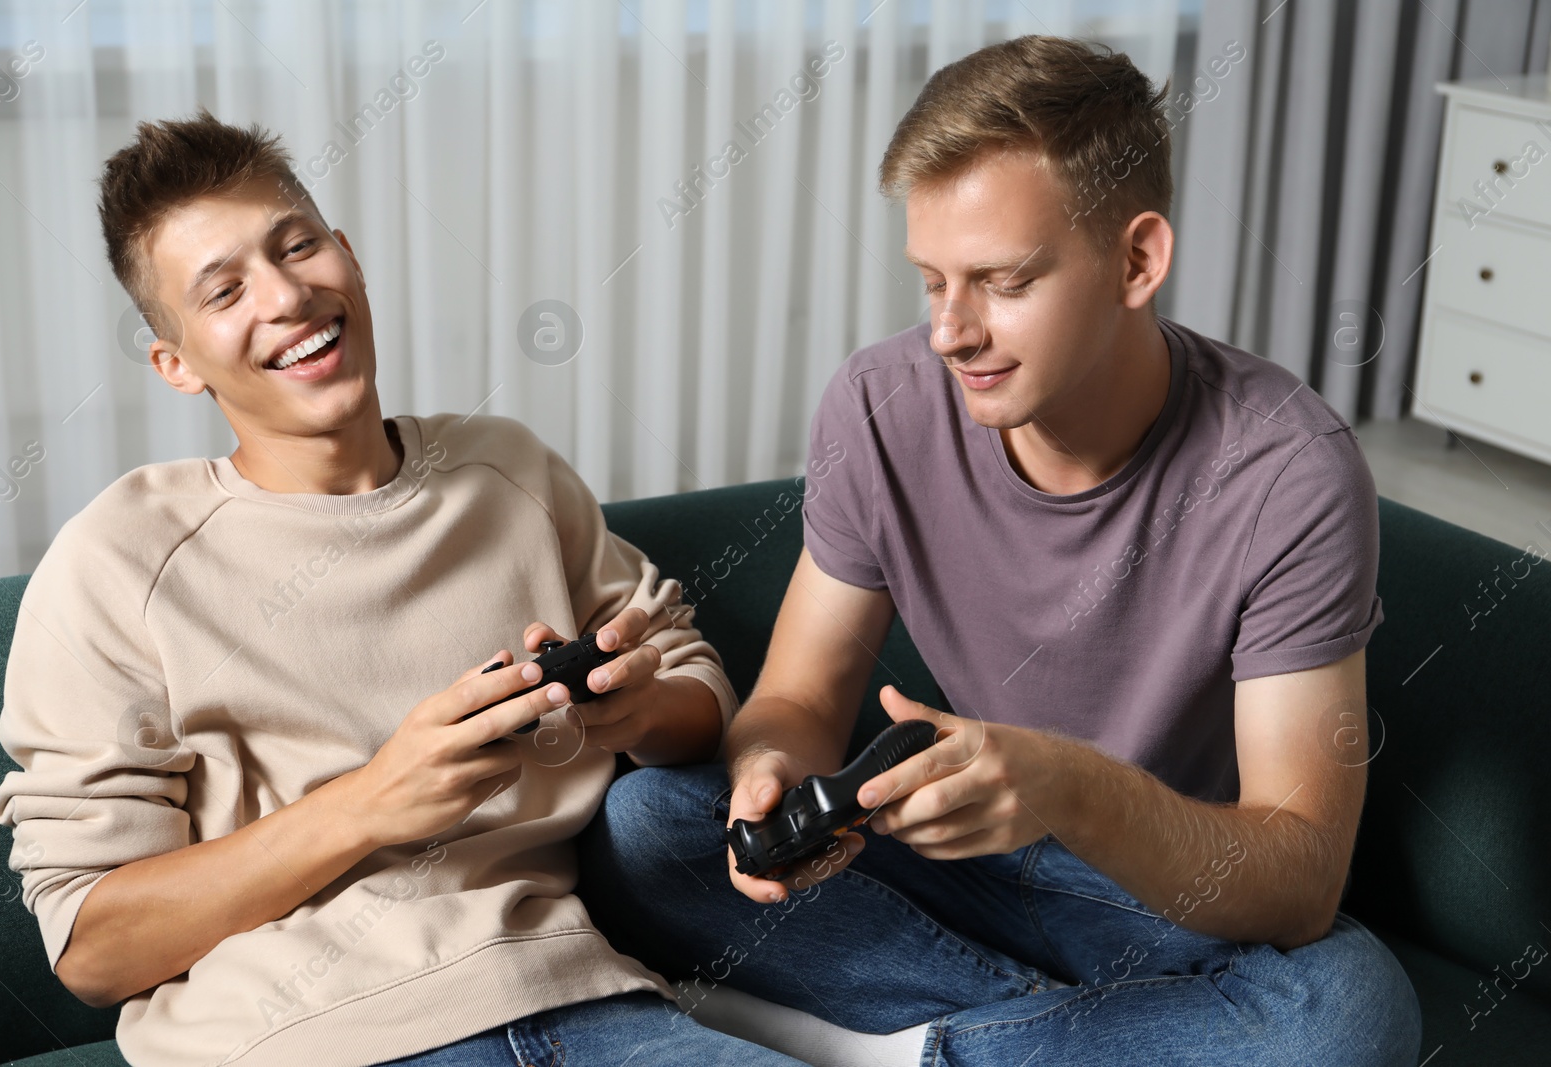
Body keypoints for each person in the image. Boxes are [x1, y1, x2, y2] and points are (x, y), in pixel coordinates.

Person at [579, 35, 1421, 1066]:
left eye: (1001, 281)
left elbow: (1298, 879)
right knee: (646, 824)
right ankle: (1051, 1038)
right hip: (950, 862)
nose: (948, 331)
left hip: (1161, 902)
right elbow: (800, 699)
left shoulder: (1289, 470)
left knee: (1350, 1009)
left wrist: (1069, 784)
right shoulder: (880, 404)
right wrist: (772, 779)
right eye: (930, 281)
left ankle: (900, 1046)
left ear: (1136, 260)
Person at [0, 109, 805, 1067]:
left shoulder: (507, 470)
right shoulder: (117, 561)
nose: (288, 295)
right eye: (224, 291)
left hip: (586, 994)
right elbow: (93, 947)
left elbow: (698, 693)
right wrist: (373, 801)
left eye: (298, 246)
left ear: (350, 256)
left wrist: (637, 710)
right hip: (305, 1039)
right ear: (175, 363)